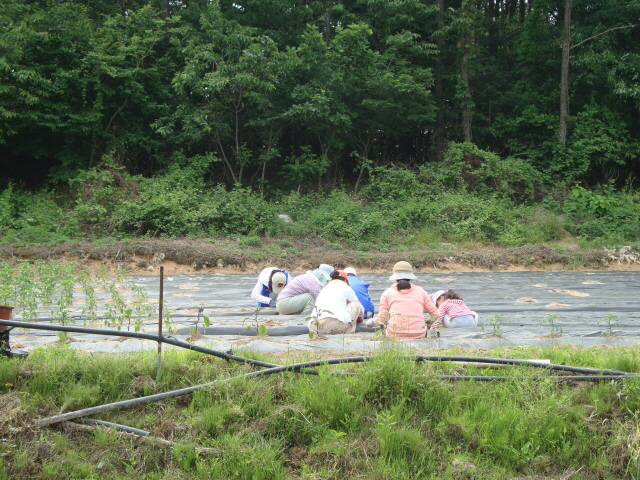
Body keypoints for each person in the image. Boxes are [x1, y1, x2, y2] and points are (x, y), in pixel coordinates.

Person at [365, 261, 438, 339]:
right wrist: (425, 324)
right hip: (419, 334)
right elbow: (436, 315)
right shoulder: (421, 292)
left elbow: (382, 319)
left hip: (394, 334)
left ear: (395, 277)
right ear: (410, 276)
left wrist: (371, 322)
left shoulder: (388, 293)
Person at [309, 270, 364, 334]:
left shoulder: (324, 288)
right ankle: (350, 331)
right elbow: (361, 310)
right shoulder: (345, 287)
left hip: (313, 327)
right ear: (345, 280)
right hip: (332, 326)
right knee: (355, 305)